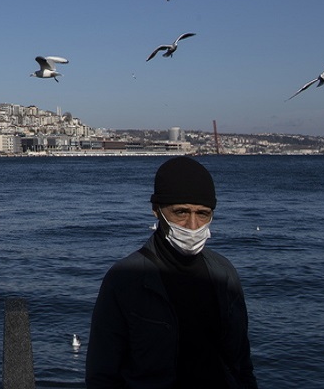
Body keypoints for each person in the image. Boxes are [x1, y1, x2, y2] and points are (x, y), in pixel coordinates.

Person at [86, 156, 258, 389]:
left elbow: (241, 365)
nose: (193, 225)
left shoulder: (225, 274)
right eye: (181, 212)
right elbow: (102, 376)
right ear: (156, 210)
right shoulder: (124, 279)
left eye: (203, 213)